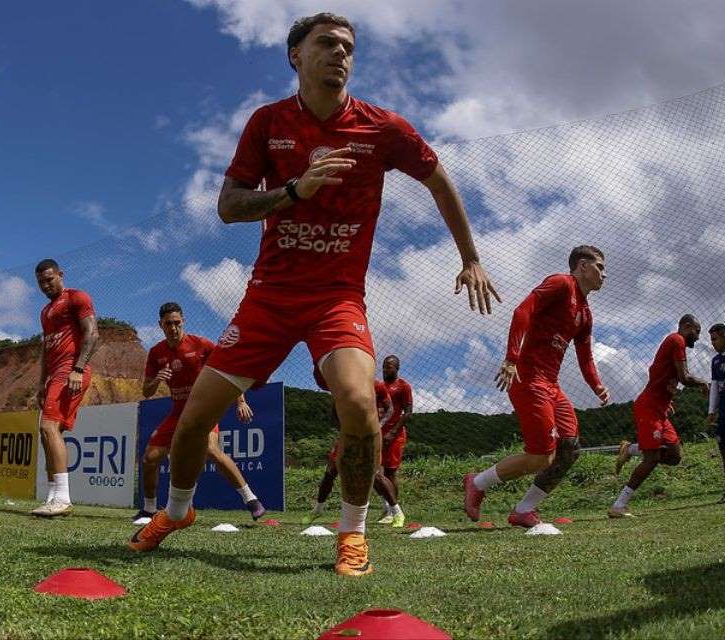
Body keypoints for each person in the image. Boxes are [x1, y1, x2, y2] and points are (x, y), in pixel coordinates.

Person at [128, 12, 499, 577]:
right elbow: (228, 207)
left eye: (348, 46)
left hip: (337, 298)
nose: (340, 53)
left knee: (358, 403)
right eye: (326, 43)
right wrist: (294, 191)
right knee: (194, 420)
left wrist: (470, 256)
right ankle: (176, 513)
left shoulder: (383, 127)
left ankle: (352, 532)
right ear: (295, 56)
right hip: (269, 297)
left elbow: (438, 178)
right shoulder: (268, 122)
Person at [464, 246, 610, 527]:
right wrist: (511, 359)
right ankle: (477, 482)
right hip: (528, 378)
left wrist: (597, 385)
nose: (604, 274)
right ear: (582, 266)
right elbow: (523, 310)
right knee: (542, 456)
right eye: (600, 267)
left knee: (569, 448)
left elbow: (585, 357)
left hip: (551, 385)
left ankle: (524, 509)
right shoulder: (561, 284)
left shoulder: (585, 314)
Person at [134, 302, 265, 521]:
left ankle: (251, 499)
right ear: (160, 325)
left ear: (183, 321)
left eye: (177, 323)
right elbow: (146, 391)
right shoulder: (156, 352)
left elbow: (227, 369)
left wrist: (241, 401)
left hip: (203, 410)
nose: (173, 328)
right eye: (168, 324)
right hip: (178, 413)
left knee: (211, 450)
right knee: (149, 458)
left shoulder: (201, 344)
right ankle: (148, 510)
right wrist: (157, 379)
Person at [610, 315, 710, 516]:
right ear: (686, 326)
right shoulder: (676, 340)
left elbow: (659, 373)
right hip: (649, 408)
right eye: (697, 331)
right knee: (652, 458)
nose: (698, 337)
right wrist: (703, 383)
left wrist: (667, 400)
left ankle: (630, 449)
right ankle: (618, 506)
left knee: (674, 456)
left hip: (659, 409)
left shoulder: (675, 343)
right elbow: (684, 377)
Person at [31, 259, 99, 517]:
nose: (45, 285)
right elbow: (46, 349)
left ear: (60, 274)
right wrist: (41, 382)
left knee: (48, 427)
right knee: (48, 433)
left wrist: (78, 369)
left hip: (71, 370)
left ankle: (62, 498)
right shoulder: (45, 311)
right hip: (54, 374)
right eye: (40, 282)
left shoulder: (77, 297)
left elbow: (92, 334)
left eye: (49, 279)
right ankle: (52, 496)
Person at [302, 381, 403, 527]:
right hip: (349, 434)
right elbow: (334, 410)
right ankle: (317, 510)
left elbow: (390, 409)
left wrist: (378, 426)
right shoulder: (344, 383)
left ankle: (397, 512)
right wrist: (343, 428)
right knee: (330, 472)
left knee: (375, 475)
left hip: (369, 435)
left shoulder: (377, 386)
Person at [377, 355, 413, 525]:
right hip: (377, 433)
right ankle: (388, 508)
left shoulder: (403, 386)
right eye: (384, 366)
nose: (386, 369)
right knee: (374, 473)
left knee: (390, 472)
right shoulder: (379, 386)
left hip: (394, 435)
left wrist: (392, 432)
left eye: (389, 366)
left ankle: (393, 512)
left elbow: (408, 413)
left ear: (397, 368)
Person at [705, 324, 725, 503]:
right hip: (724, 412)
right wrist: (711, 410)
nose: (713, 343)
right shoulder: (715, 361)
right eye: (711, 340)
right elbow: (714, 386)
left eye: (715, 339)